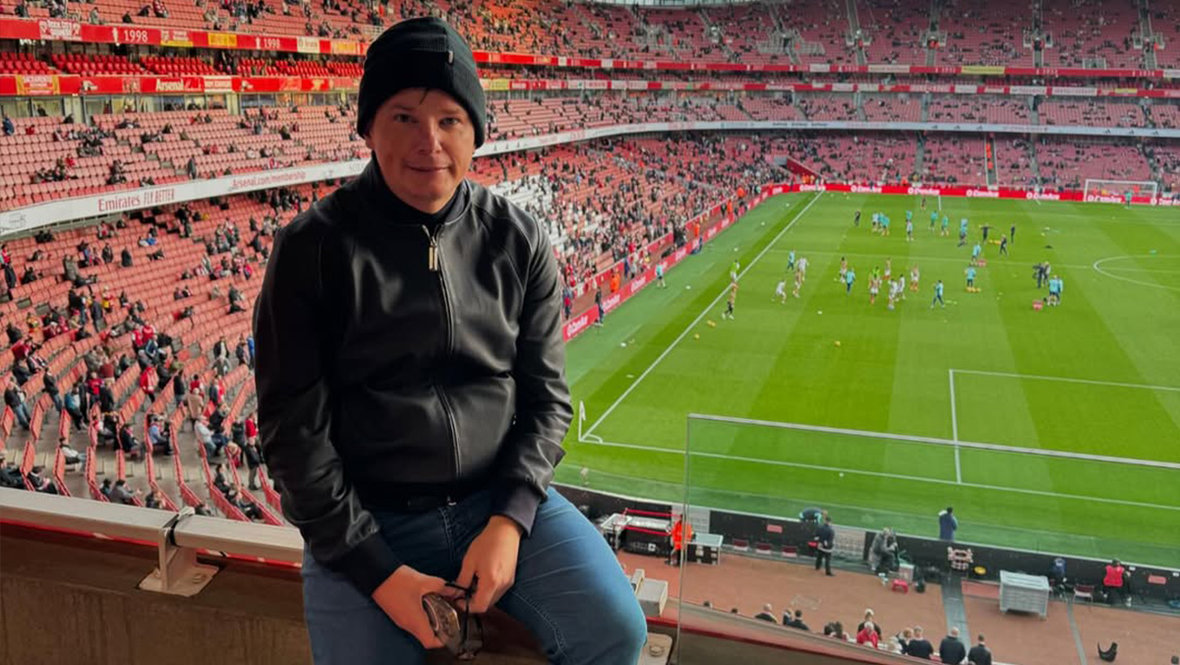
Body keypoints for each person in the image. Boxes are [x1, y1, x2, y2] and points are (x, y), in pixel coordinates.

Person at [252, 17, 646, 665]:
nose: (428, 142)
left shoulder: (519, 239)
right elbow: (294, 438)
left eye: (450, 119)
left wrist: (509, 521)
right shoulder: (310, 250)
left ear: (475, 131)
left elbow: (547, 401)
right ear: (369, 128)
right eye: (404, 117)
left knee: (616, 630)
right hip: (365, 520)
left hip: (499, 498)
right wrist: (381, 574)